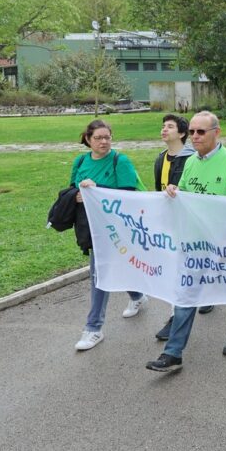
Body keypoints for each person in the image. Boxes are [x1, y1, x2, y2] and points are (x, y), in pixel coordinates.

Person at [146, 111, 226, 372]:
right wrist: (174, 192)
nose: (194, 136)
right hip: (194, 243)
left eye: (200, 132)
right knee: (186, 294)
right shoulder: (191, 162)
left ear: (217, 133)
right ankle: (173, 353)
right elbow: (185, 197)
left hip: (225, 241)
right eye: (192, 131)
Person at [72, 120, 147, 351]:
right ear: (88, 139)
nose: (104, 142)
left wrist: (97, 190)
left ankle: (93, 328)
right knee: (108, 268)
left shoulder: (120, 161)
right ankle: (137, 295)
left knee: (100, 272)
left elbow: (128, 195)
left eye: (107, 137)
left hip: (118, 227)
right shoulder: (80, 161)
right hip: (94, 227)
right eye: (98, 138)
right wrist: (78, 195)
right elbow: (72, 189)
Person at [153, 114, 213, 341]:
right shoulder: (160, 158)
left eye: (170, 126)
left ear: (180, 133)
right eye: (163, 127)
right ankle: (188, 307)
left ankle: (179, 316)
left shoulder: (190, 158)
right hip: (172, 220)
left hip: (192, 223)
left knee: (195, 266)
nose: (164, 130)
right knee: (182, 269)